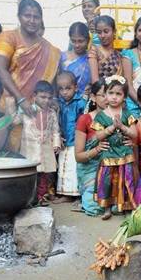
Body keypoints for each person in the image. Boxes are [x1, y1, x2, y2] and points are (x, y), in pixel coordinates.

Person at [0, 0, 61, 116]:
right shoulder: (8, 37)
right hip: (10, 105)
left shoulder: (50, 49)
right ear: (19, 16)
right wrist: (21, 99)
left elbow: (52, 78)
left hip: (37, 109)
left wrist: (54, 98)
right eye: (27, 16)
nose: (32, 20)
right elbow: (0, 69)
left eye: (36, 17)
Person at [92, 75, 138, 219]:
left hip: (125, 153)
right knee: (107, 181)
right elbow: (98, 136)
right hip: (108, 154)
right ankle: (107, 208)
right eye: (111, 93)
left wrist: (122, 127)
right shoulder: (100, 116)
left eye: (118, 94)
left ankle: (127, 207)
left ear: (124, 97)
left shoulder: (127, 114)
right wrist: (112, 127)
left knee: (127, 180)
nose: (114, 97)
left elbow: (134, 134)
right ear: (105, 94)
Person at [17, 81, 61, 205]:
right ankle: (29, 199)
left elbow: (55, 130)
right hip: (30, 148)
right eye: (42, 97)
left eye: (49, 98)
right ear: (34, 96)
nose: (46, 101)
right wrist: (14, 109)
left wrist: (56, 144)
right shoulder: (27, 110)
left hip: (46, 148)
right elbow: (15, 121)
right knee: (30, 174)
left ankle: (40, 198)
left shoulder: (52, 113)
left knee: (44, 176)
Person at [75, 80, 110, 216]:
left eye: (111, 94)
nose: (108, 98)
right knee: (95, 207)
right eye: (103, 95)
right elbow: (78, 156)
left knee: (118, 205)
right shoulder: (85, 119)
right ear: (93, 98)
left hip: (112, 168)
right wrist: (97, 150)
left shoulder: (120, 118)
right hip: (90, 169)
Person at [56, 71, 86, 203]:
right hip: (64, 140)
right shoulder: (59, 103)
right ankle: (66, 194)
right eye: (61, 89)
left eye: (68, 88)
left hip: (77, 141)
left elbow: (85, 121)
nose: (64, 92)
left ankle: (77, 194)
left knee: (75, 169)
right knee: (63, 168)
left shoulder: (80, 102)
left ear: (76, 87)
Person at [59, 22, 91, 97]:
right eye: (73, 41)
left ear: (88, 40)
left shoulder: (91, 58)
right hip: (64, 102)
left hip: (85, 102)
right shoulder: (62, 57)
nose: (77, 45)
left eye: (81, 41)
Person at [88, 15, 122, 82]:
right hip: (99, 90)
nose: (102, 36)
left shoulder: (119, 52)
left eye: (106, 32)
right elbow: (95, 80)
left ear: (114, 32)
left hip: (118, 90)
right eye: (99, 32)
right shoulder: (94, 51)